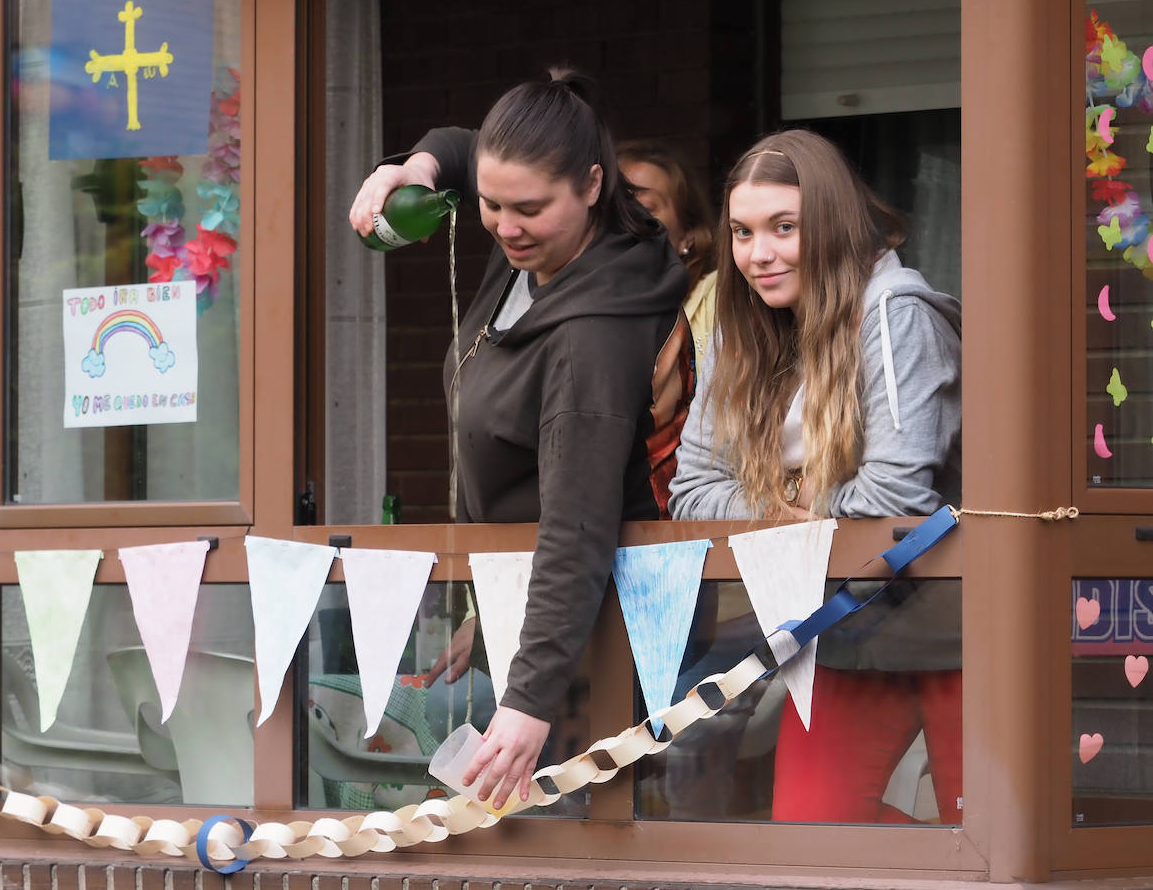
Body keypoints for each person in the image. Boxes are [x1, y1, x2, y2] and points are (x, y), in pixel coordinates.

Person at [349, 69, 689, 810]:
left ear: (594, 184)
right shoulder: (538, 240)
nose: (506, 227)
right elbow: (463, 147)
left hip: (590, 646)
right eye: (490, 205)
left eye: (529, 209)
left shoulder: (594, 337)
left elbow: (577, 525)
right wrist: (411, 168)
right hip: (528, 617)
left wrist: (528, 700)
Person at [667, 128, 962, 823]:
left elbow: (895, 500)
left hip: (960, 626)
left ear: (829, 223)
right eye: (741, 231)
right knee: (813, 832)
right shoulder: (741, 328)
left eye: (783, 227)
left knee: (979, 839)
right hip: (845, 625)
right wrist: (798, 504)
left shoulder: (897, 312)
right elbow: (693, 491)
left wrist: (782, 501)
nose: (757, 253)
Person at [617, 141, 718, 378]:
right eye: (614, 207)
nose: (625, 220)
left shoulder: (719, 298)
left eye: (644, 207)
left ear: (689, 234)